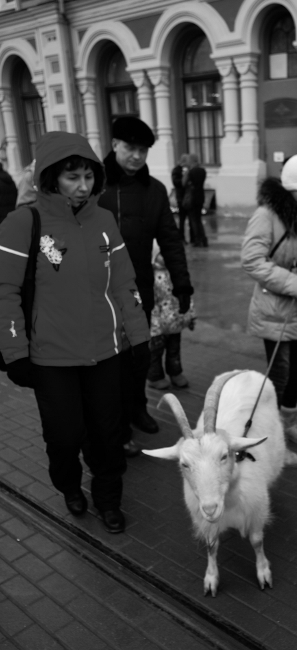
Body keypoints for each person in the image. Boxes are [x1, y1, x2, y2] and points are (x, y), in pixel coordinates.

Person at [0, 131, 150, 533]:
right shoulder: (23, 223)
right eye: (72, 177)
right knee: (64, 437)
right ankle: (68, 485)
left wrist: (140, 337)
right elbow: (5, 291)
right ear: (50, 178)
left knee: (108, 433)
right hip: (51, 358)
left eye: (88, 175)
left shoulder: (103, 220)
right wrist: (14, 351)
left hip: (106, 352)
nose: (83, 185)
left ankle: (108, 497)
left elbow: (124, 283)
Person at [98, 117, 193, 451]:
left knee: (139, 358)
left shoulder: (154, 191)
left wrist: (182, 283)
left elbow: (170, 239)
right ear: (114, 145)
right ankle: (118, 422)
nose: (136, 156)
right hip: (99, 295)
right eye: (129, 148)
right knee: (112, 364)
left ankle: (137, 409)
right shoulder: (93, 187)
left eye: (142, 150)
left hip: (140, 292)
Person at [241, 153, 297, 468]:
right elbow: (251, 259)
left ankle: (288, 424)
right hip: (274, 307)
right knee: (279, 373)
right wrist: (295, 283)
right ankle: (273, 440)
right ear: (290, 189)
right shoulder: (266, 215)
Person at [147, 240, 194, 389]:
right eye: (162, 254)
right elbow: (149, 301)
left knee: (174, 349)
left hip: (175, 322)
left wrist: (190, 315)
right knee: (156, 351)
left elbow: (186, 293)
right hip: (157, 324)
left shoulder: (176, 273)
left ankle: (175, 372)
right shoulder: (151, 277)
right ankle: (154, 376)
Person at [182, 153, 208, 247]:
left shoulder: (190, 172)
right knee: (199, 219)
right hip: (200, 196)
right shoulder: (203, 171)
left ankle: (197, 240)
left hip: (192, 198)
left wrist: (186, 174)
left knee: (194, 220)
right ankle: (204, 239)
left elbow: (183, 183)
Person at [171, 153, 190, 242]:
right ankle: (181, 237)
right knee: (182, 219)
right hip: (181, 197)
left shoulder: (188, 169)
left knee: (190, 218)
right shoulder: (176, 170)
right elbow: (176, 182)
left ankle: (192, 238)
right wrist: (183, 179)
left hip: (188, 197)